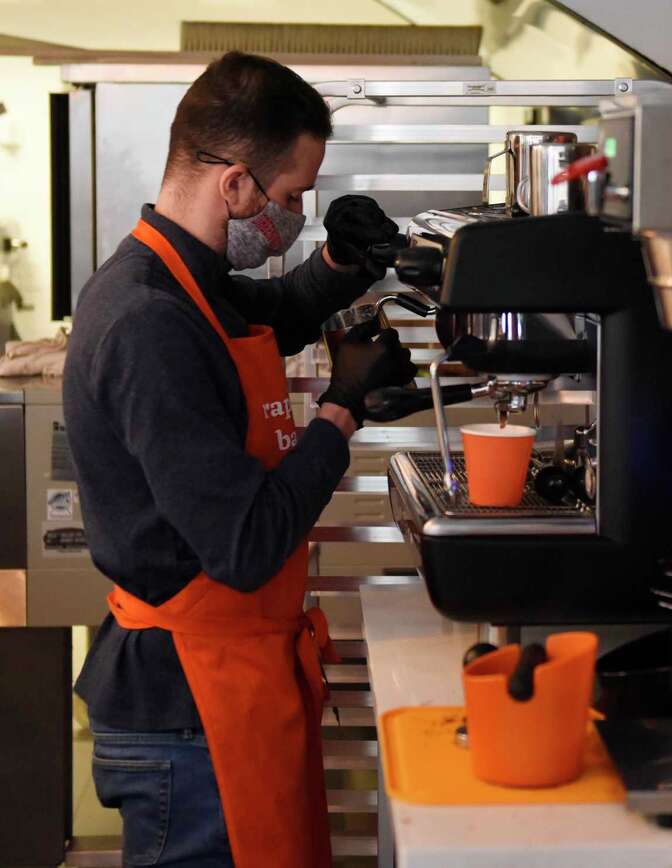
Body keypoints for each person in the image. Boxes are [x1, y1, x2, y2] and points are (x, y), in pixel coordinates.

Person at [63, 51, 415, 868]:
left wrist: (341, 262)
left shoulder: (186, 277)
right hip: (186, 712)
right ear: (235, 186)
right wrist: (342, 408)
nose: (294, 217)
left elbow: (277, 312)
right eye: (291, 198)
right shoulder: (146, 320)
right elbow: (248, 543)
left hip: (221, 685)